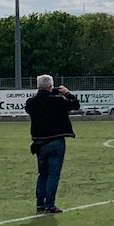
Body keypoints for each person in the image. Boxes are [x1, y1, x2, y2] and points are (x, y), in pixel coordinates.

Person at [25, 75, 79, 214]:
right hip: (55, 141)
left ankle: (40, 204)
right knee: (53, 175)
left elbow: (37, 103)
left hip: (39, 142)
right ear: (50, 86)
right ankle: (50, 204)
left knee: (42, 174)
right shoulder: (58, 101)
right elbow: (75, 104)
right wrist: (66, 93)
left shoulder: (31, 102)